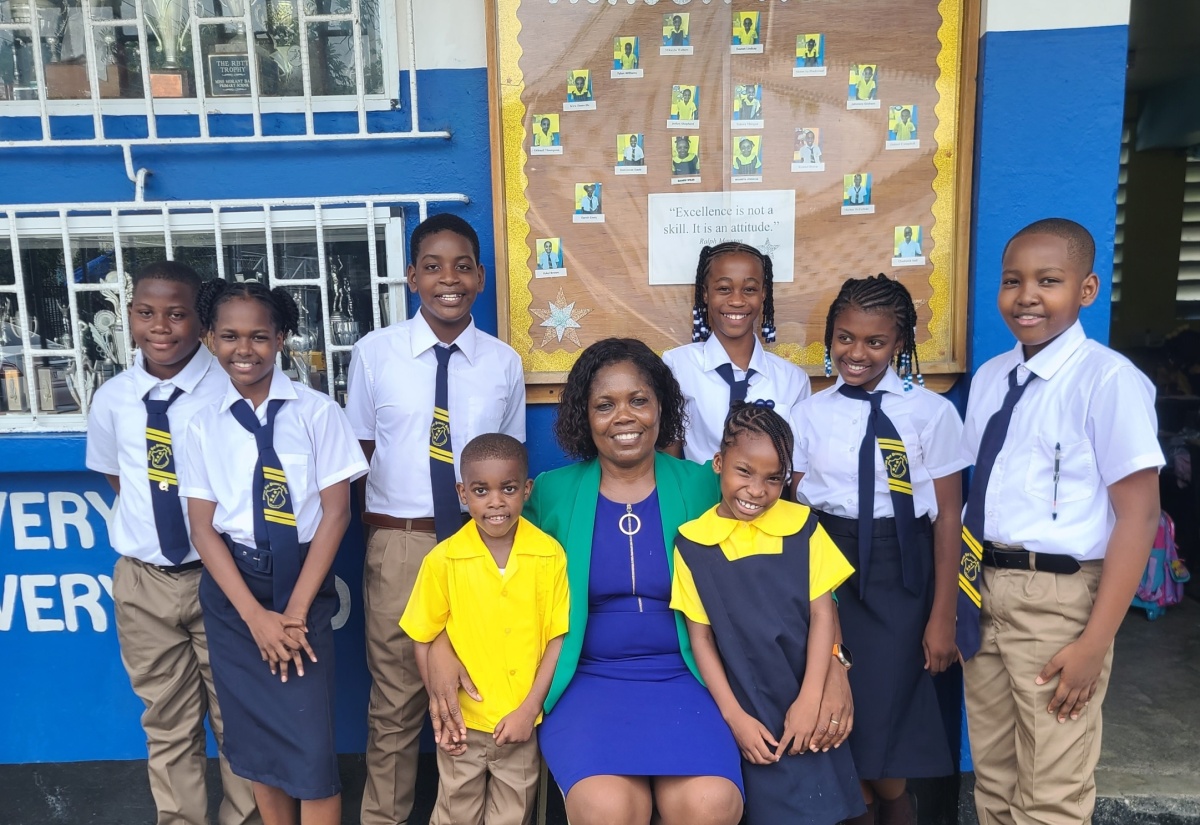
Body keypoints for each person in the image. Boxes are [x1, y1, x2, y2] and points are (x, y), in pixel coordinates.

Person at [424, 338, 856, 825]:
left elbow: (799, 563)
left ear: (661, 407)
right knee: (609, 811)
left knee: (709, 806)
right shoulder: (550, 493)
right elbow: (474, 568)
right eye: (604, 405)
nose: (623, 417)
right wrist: (437, 642)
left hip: (690, 679)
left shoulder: (704, 485)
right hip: (586, 681)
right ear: (584, 416)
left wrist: (836, 665)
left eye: (638, 401)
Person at [959, 218, 1163, 825]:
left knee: (1051, 789)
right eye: (1012, 281)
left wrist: (1094, 644)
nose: (1027, 296)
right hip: (985, 589)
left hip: (1059, 603)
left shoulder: (1109, 382)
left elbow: (1140, 514)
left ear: (1087, 289)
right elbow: (981, 493)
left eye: (1049, 280)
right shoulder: (993, 378)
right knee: (994, 779)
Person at [347, 213, 526, 825]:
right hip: (404, 545)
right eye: (432, 266)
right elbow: (360, 453)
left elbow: (509, 461)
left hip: (484, 546)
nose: (447, 279)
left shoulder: (502, 362)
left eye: (462, 266)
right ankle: (385, 818)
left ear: (479, 277)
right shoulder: (374, 355)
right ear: (410, 276)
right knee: (397, 698)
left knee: (483, 689)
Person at [181, 279, 368, 825]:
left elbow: (336, 515)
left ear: (282, 338)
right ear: (211, 339)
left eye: (260, 336)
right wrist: (255, 619)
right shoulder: (202, 424)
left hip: (301, 585)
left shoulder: (317, 413)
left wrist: (291, 615)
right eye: (231, 336)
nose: (246, 349)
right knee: (259, 750)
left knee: (311, 752)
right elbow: (202, 527)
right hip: (235, 598)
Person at [86, 261, 259, 825]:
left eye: (177, 314)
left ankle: (244, 817)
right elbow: (120, 478)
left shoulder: (231, 391)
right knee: (167, 720)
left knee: (239, 715)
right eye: (145, 313)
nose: (160, 326)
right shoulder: (113, 398)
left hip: (223, 576)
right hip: (145, 581)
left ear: (202, 324)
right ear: (129, 317)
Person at [794, 274, 964, 825]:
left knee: (885, 732)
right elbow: (793, 506)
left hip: (902, 574)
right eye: (845, 338)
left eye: (875, 342)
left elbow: (947, 522)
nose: (856, 353)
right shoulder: (810, 413)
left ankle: (893, 806)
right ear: (830, 336)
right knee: (838, 723)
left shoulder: (930, 414)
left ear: (900, 345)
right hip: (828, 566)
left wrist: (944, 616)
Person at [672, 402, 864, 825]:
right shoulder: (692, 543)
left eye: (773, 478)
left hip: (801, 689)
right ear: (719, 464)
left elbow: (823, 615)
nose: (757, 490)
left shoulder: (803, 526)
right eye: (744, 472)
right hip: (746, 702)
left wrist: (811, 698)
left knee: (819, 805)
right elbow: (700, 638)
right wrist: (734, 716)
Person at [400, 434, 569, 825]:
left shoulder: (549, 555)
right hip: (463, 726)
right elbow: (422, 638)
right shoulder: (443, 560)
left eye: (508, 489)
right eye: (481, 490)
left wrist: (530, 710)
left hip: (521, 724)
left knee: (512, 815)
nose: (496, 502)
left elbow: (556, 640)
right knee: (455, 811)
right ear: (462, 492)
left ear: (526, 490)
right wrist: (440, 710)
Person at [663, 242, 810, 468]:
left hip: (766, 500)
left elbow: (797, 463)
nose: (737, 300)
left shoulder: (792, 380)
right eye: (724, 289)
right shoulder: (678, 366)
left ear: (763, 294)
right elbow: (669, 455)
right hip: (698, 499)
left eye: (749, 289)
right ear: (705, 293)